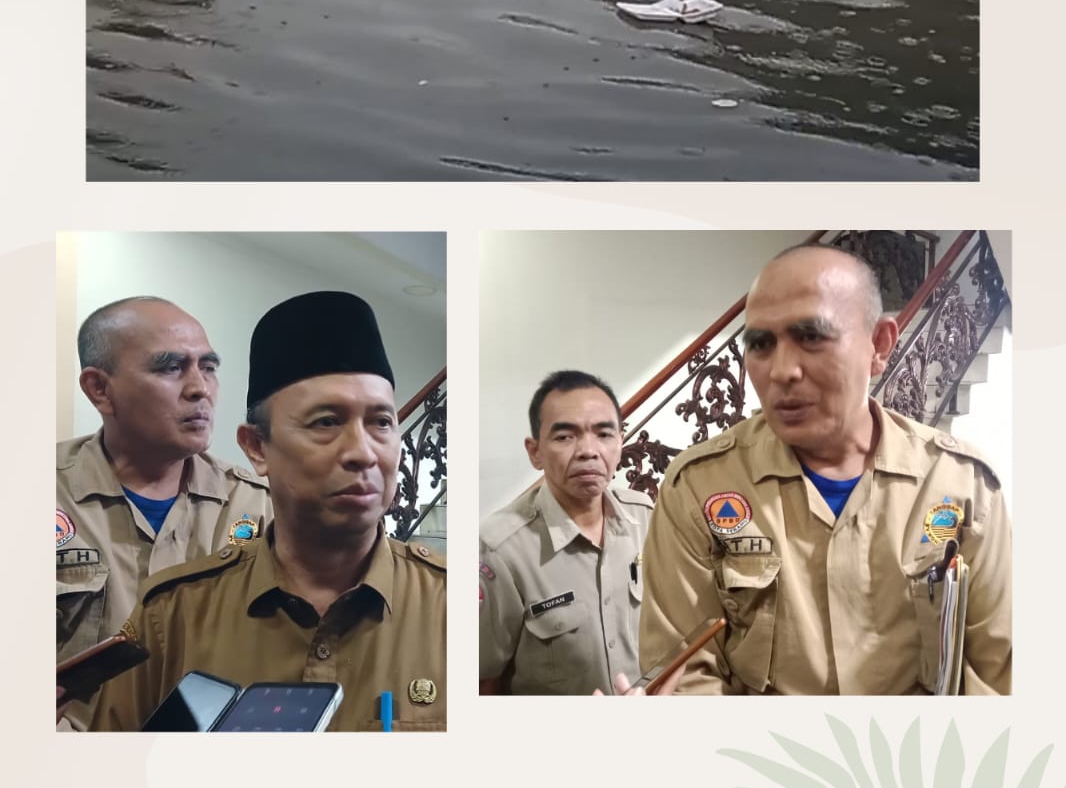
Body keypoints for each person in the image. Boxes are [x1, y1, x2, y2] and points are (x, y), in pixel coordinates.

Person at [639, 246, 1012, 696]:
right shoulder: (698, 488)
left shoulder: (963, 485)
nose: (782, 371)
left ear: (879, 346)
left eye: (812, 337)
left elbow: (997, 676)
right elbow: (684, 677)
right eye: (760, 344)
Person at [81, 291, 446, 732]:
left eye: (381, 422)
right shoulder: (174, 615)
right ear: (257, 447)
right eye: (326, 422)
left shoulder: (453, 609)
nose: (363, 453)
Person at [57, 297, 272, 665]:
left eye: (208, 367)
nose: (200, 389)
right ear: (99, 389)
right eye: (172, 367)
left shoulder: (257, 504)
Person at [480, 370, 652, 695]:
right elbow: (482, 683)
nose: (589, 451)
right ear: (535, 452)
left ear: (620, 442)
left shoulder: (645, 517)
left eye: (604, 434)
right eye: (565, 437)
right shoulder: (499, 549)